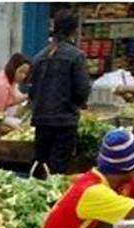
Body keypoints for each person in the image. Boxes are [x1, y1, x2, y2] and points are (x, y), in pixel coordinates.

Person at [29, 9, 91, 175]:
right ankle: (54, 200)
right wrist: (79, 104)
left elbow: (32, 92)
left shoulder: (39, 57)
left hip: (41, 120)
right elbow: (82, 90)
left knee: (40, 165)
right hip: (64, 121)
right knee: (57, 169)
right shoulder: (76, 56)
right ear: (75, 30)